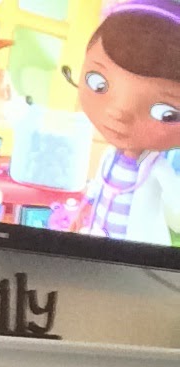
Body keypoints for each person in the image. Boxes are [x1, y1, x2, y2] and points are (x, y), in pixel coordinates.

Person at [74, 0, 180, 242]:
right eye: (98, 83)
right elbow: (98, 187)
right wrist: (84, 209)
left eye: (167, 113)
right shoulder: (109, 156)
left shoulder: (157, 169)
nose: (118, 114)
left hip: (134, 254)